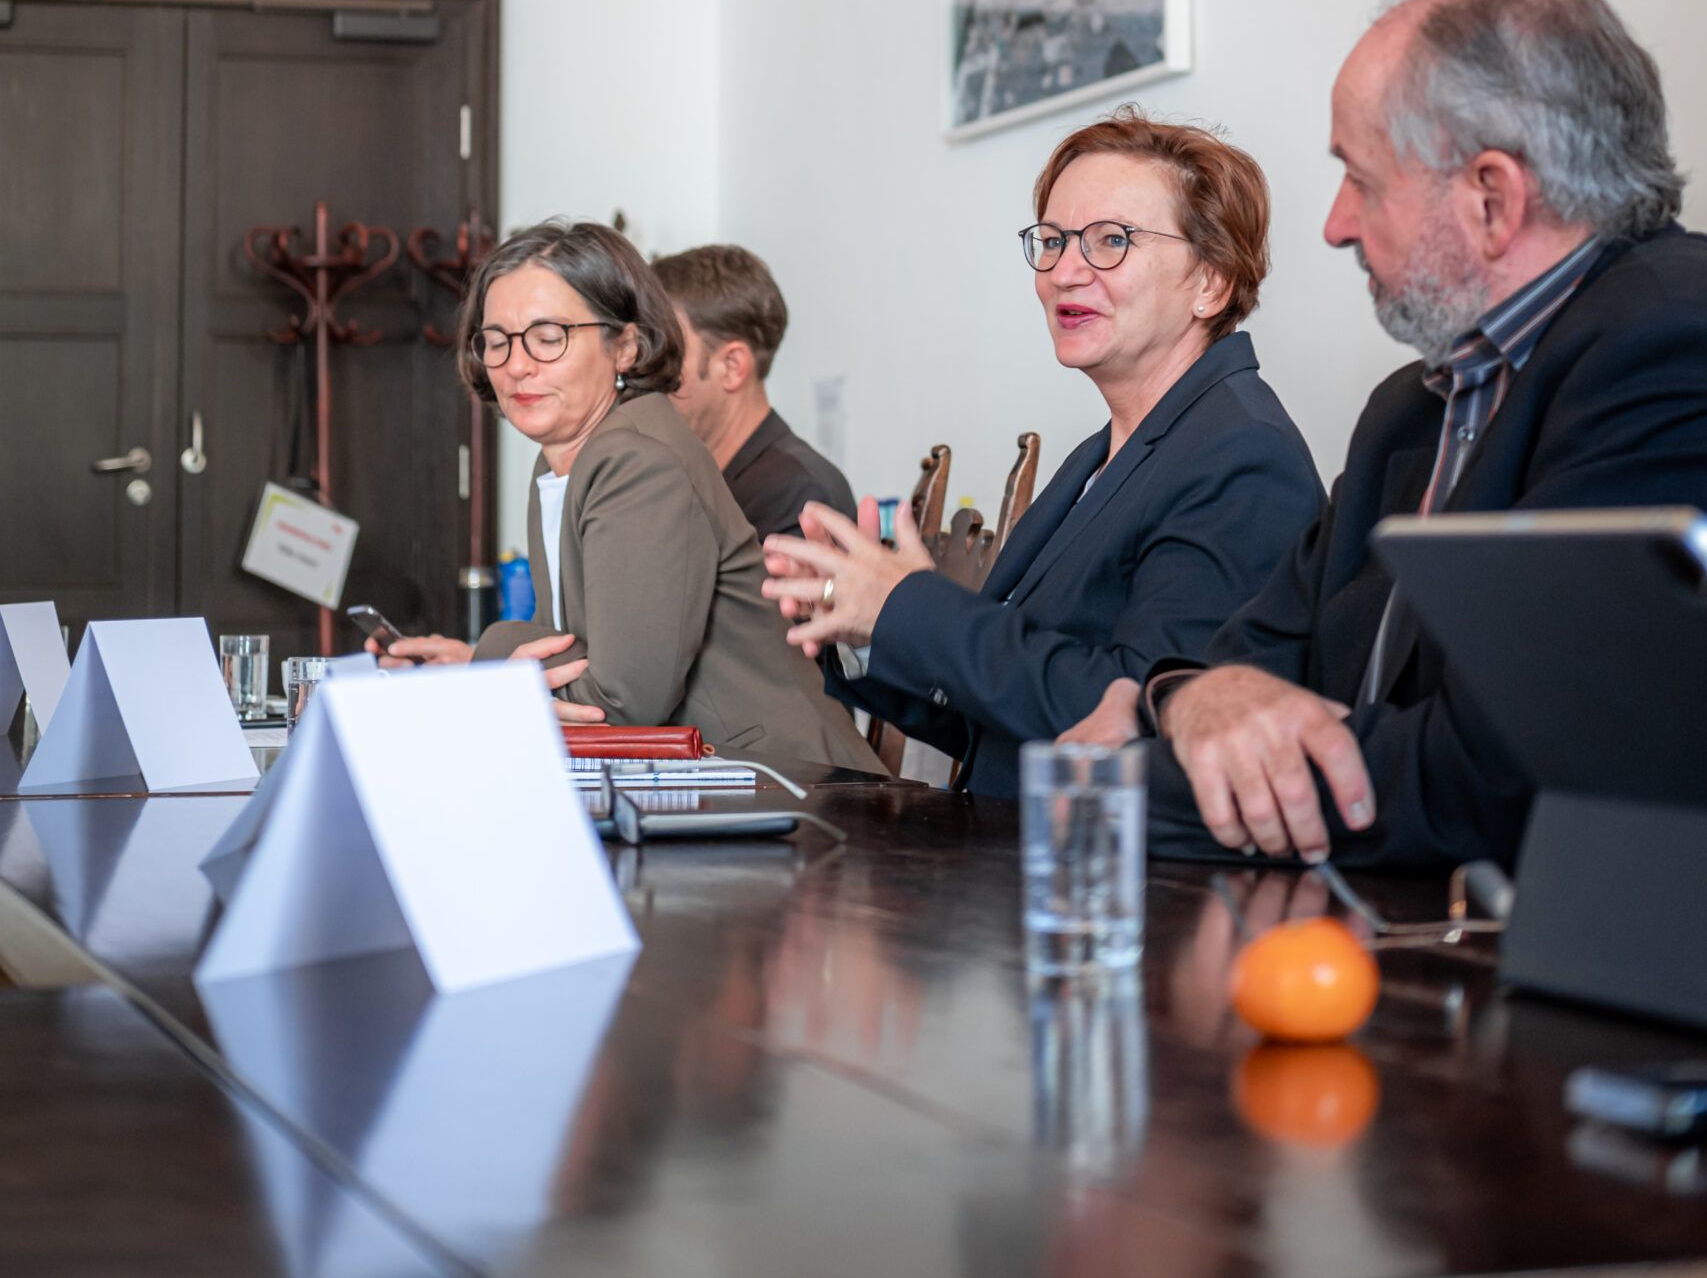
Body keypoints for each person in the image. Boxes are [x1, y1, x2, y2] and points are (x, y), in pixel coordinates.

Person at [1066, 0, 1707, 872]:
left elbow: (1496, 776)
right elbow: (1240, 659)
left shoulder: (1668, 344)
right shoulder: (1409, 408)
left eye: (1359, 180)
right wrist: (1187, 697)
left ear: (1491, 199)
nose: (1333, 224)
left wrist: (1120, 790)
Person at [760, 109, 1324, 795]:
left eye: (1111, 240)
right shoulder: (1097, 455)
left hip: (1116, 858)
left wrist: (910, 607)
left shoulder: (1241, 454)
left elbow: (1141, 722)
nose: (1064, 272)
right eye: (1053, 241)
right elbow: (998, 720)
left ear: (1211, 281)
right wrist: (867, 627)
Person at [379, 219, 883, 775]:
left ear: (624, 346)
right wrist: (506, 666)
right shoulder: (562, 459)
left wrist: (497, 658)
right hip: (703, 781)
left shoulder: (634, 457)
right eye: (497, 342)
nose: (517, 365)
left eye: (548, 337)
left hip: (792, 786)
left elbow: (619, 706)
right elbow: (564, 650)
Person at [653, 242, 856, 538]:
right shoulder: (703, 480)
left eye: (667, 354)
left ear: (732, 366)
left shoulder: (796, 494)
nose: (647, 372)